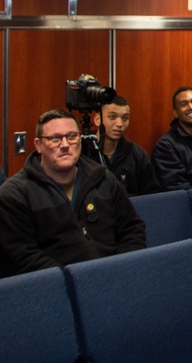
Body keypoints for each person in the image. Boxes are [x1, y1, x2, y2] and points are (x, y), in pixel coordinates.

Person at [0, 109, 146, 276]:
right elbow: (22, 256)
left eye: (72, 136)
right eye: (55, 138)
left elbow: (132, 229)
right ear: (38, 145)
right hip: (56, 288)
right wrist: (74, 281)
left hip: (115, 277)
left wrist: (122, 267)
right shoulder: (14, 194)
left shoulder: (105, 179)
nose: (65, 145)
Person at [94, 95, 160, 196]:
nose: (120, 124)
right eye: (112, 117)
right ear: (97, 119)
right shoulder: (83, 150)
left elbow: (152, 195)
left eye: (125, 118)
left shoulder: (137, 154)